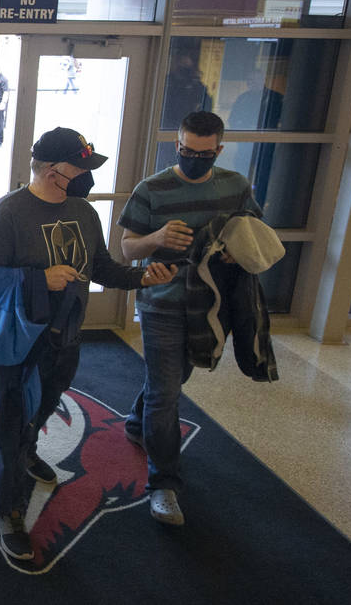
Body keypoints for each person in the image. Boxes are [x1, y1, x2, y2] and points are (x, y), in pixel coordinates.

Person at [0, 127, 174, 562]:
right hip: (21, 343)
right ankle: (6, 510)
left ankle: (26, 452)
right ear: (51, 169)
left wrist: (142, 277)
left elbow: (100, 267)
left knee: (37, 414)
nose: (85, 176)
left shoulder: (82, 212)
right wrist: (38, 278)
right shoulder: (8, 213)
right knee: (7, 426)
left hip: (66, 339)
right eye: (78, 168)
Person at [119, 110, 262, 527]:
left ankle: (135, 422)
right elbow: (127, 250)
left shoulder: (235, 187)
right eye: (185, 150)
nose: (192, 158)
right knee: (167, 393)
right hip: (161, 303)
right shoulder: (153, 189)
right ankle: (164, 484)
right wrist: (156, 239)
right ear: (177, 145)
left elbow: (253, 233)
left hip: (211, 305)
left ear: (218, 150)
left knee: (176, 376)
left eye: (203, 153)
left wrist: (236, 251)